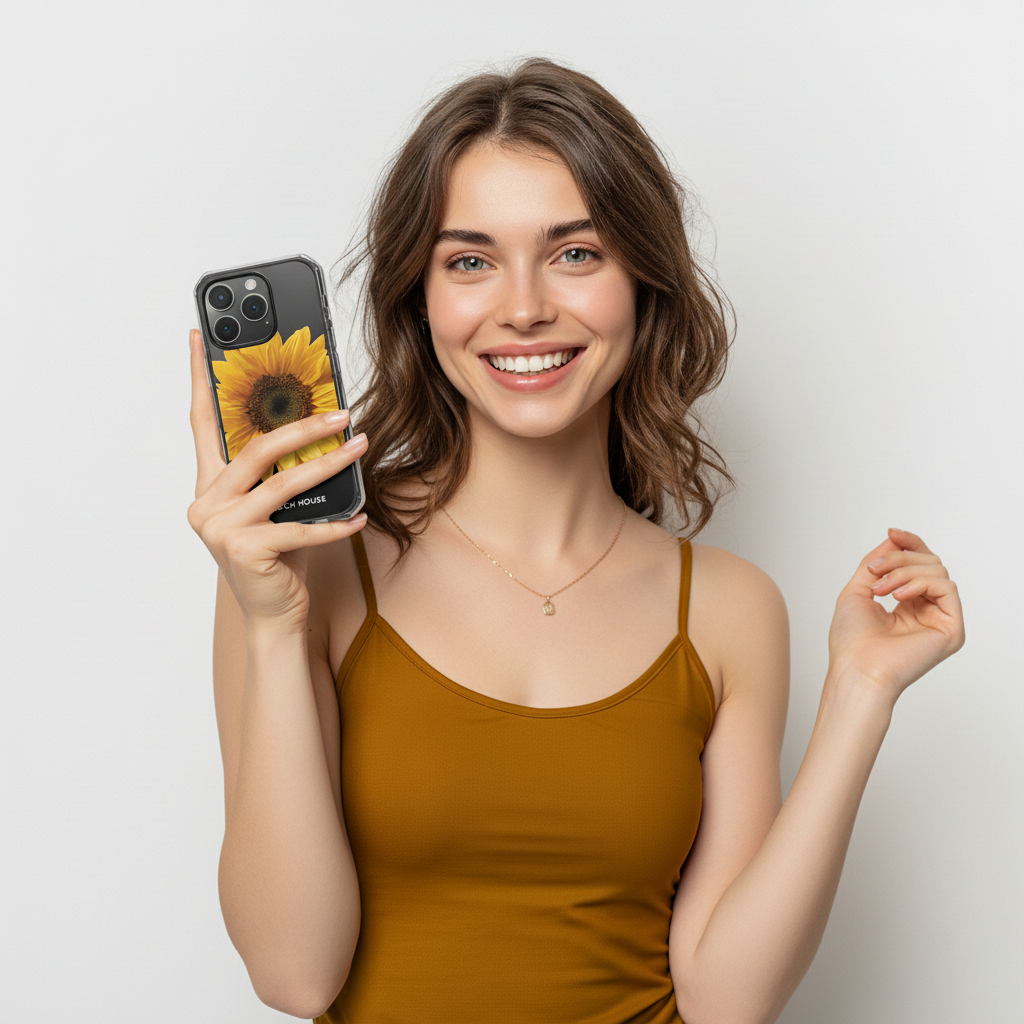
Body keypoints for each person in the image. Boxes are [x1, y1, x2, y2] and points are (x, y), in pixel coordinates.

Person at [186, 58, 964, 1024]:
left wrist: (860, 694)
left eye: (575, 253)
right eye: (470, 260)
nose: (523, 307)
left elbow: (726, 1001)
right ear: (419, 303)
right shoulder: (302, 570)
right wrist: (271, 626)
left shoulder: (727, 607)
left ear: (642, 279)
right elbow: (294, 975)